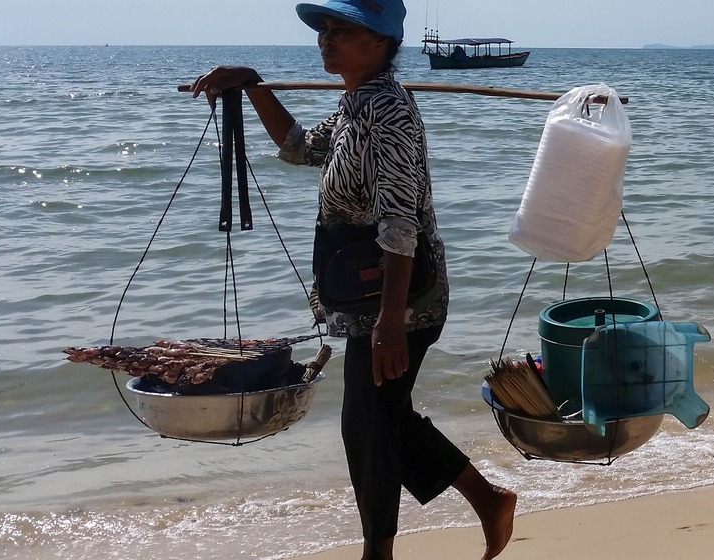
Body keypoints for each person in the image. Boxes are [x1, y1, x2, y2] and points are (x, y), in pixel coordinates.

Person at [189, 1, 517, 558]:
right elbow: (297, 148)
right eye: (325, 32)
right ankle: (487, 501)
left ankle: (380, 551)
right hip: (374, 299)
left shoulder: (385, 110)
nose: (327, 41)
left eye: (344, 32)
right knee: (382, 419)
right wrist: (252, 85)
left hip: (402, 302)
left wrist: (391, 321)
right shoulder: (356, 106)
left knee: (365, 426)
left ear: (383, 43)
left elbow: (398, 221)